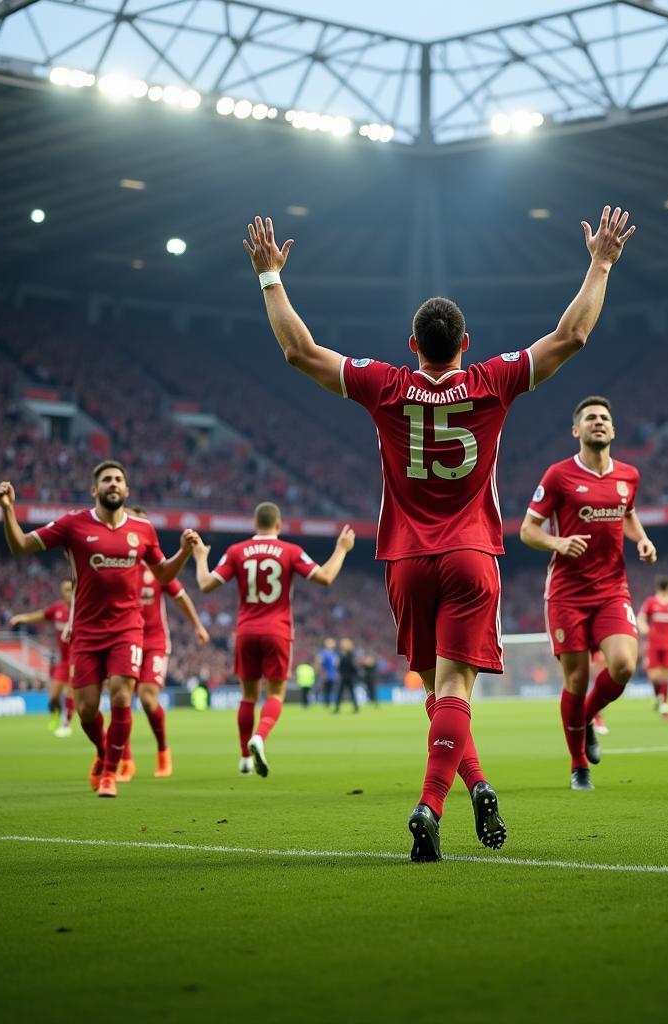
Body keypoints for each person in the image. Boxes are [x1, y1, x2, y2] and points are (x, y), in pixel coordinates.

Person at [242, 202, 636, 859]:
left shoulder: (386, 386)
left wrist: (269, 277)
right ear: (466, 343)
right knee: (454, 690)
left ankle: (473, 786)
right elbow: (571, 337)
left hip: (404, 560)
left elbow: (297, 351)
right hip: (472, 554)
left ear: (412, 346)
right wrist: (600, 262)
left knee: (435, 690)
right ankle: (435, 802)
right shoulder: (491, 381)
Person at [0, 462, 197, 797]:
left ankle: (109, 774)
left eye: (119, 479)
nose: (113, 484)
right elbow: (20, 546)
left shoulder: (143, 529)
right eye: (106, 480)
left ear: (127, 490)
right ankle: (106, 753)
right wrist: (8, 510)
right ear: (95, 490)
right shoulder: (74, 524)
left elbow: (162, 575)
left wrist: (185, 553)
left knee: (121, 695)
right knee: (87, 709)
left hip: (127, 629)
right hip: (86, 632)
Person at [520, 396, 657, 791]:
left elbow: (627, 513)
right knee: (576, 680)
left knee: (625, 666)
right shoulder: (559, 475)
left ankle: (588, 719)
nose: (598, 422)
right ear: (576, 431)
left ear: (612, 430)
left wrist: (643, 541)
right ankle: (579, 763)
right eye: (590, 418)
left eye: (604, 418)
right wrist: (558, 544)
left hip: (613, 589)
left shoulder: (628, 475)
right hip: (566, 593)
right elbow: (528, 530)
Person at [192, 501, 354, 777]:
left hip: (246, 631)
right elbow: (325, 577)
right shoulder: (290, 551)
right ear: (278, 525)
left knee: (248, 696)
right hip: (277, 630)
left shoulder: (236, 551)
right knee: (275, 694)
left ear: (255, 524)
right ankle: (260, 736)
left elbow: (206, 584)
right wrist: (341, 548)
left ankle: (244, 757)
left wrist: (199, 557)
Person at [115, 506, 211, 782]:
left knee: (146, 698)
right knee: (120, 698)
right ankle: (126, 762)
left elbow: (180, 597)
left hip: (154, 641)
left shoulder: (158, 568)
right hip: (122, 638)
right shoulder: (117, 564)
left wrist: (197, 625)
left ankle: (163, 751)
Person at [9, 579, 74, 736]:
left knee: (71, 692)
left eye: (71, 590)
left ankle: (66, 724)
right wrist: (22, 618)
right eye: (66, 590)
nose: (69, 593)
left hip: (79, 658)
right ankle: (56, 716)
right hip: (64, 660)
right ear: (61, 592)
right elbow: (41, 616)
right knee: (53, 695)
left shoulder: (83, 609)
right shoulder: (57, 609)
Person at [637, 576, 668, 721]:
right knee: (654, 676)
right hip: (653, 643)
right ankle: (657, 695)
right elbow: (640, 618)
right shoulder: (651, 602)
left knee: (666, 675)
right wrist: (644, 628)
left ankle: (665, 707)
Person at [334, 637, 360, 713]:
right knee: (350, 692)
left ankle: (337, 708)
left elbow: (341, 665)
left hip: (346, 676)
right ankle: (355, 708)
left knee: (341, 692)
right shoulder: (349, 654)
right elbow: (354, 666)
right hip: (348, 676)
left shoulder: (344, 655)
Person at [316, 638, 339, 708]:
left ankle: (329, 703)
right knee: (325, 689)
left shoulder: (334, 653)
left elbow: (336, 664)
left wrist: (336, 673)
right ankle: (325, 703)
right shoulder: (323, 653)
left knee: (331, 689)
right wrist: (322, 672)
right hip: (325, 674)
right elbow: (319, 663)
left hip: (332, 675)